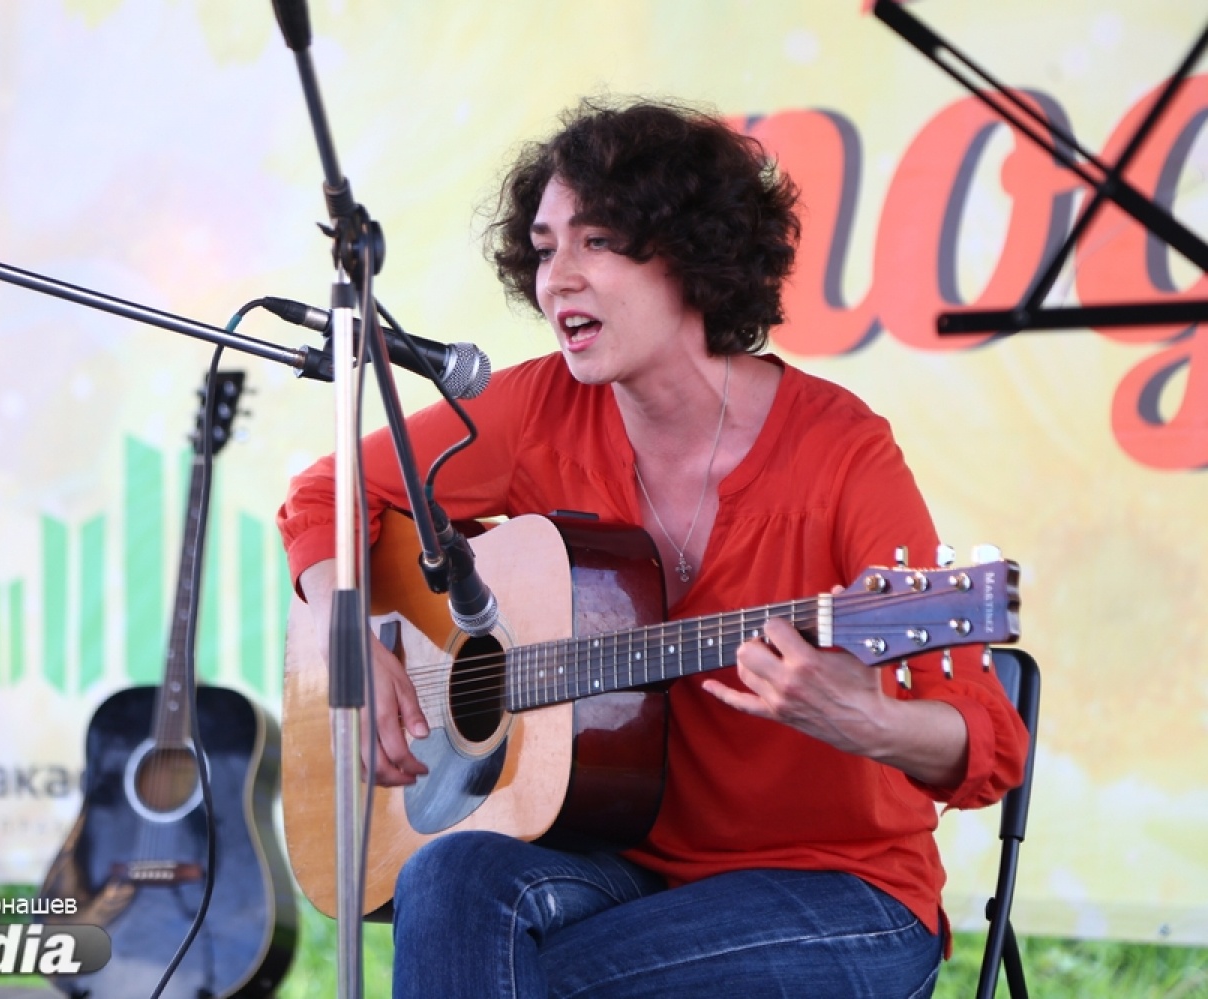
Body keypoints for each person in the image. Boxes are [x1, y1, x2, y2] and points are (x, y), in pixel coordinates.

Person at [277, 97, 1029, 998]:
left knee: (522, 978)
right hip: (627, 867)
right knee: (449, 876)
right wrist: (349, 630)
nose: (557, 278)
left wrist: (869, 723)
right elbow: (326, 496)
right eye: (545, 248)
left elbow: (987, 741)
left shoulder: (841, 452)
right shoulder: (537, 411)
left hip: (840, 893)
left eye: (596, 241)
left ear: (691, 253)